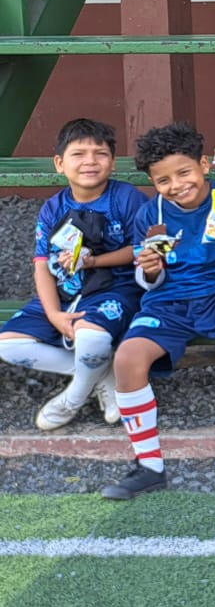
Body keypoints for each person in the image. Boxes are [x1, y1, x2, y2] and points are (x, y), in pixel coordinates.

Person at [101, 123, 215, 500]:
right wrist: (149, 270)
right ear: (153, 182)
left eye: (184, 172)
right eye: (163, 180)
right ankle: (149, 465)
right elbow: (147, 281)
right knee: (127, 358)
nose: (177, 185)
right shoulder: (150, 214)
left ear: (203, 165)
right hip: (169, 302)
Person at [0, 118, 145, 432]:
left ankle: (73, 397)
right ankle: (102, 372)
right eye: (78, 154)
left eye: (100, 153)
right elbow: (42, 264)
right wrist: (53, 314)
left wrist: (94, 261)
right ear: (59, 163)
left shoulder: (126, 198)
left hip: (114, 289)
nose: (90, 161)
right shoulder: (53, 207)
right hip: (66, 290)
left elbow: (142, 249)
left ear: (113, 161)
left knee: (90, 336)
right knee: (7, 345)